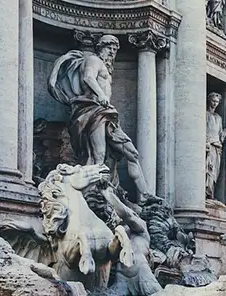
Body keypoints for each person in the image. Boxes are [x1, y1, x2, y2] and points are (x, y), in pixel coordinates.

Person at [49, 35, 158, 205]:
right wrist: (100, 94)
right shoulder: (93, 60)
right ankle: (92, 197)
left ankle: (144, 195)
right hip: (93, 111)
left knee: (132, 153)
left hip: (107, 113)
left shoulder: (107, 69)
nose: (112, 54)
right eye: (110, 49)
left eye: (115, 50)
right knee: (98, 156)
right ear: (101, 48)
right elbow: (88, 77)